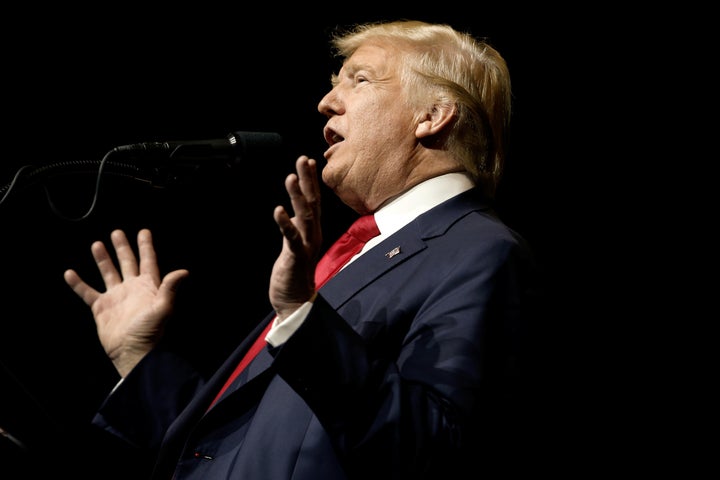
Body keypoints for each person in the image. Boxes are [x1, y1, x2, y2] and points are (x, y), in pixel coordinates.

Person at [63, 19, 542, 479]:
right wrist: (139, 356)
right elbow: (229, 451)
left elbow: (430, 451)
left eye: (360, 79)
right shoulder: (361, 252)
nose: (326, 101)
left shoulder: (480, 251)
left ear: (432, 116)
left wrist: (300, 316)